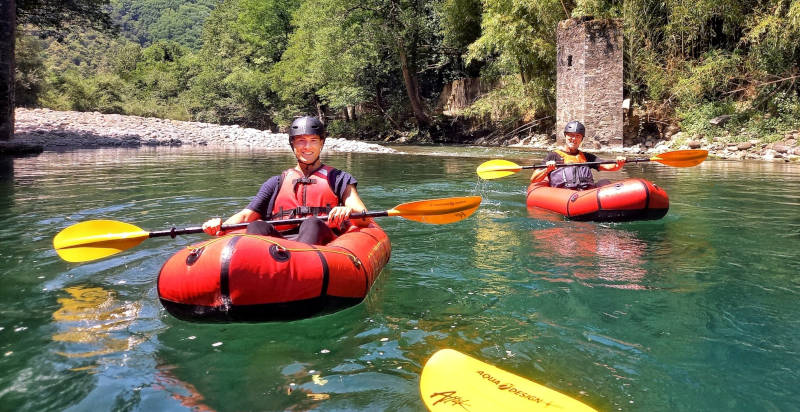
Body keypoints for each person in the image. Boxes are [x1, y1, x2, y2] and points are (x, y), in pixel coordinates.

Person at [202, 116, 370, 245]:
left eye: (313, 141)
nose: (307, 147)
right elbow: (246, 216)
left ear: (321, 144)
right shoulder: (276, 183)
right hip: (281, 244)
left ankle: (301, 267)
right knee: (256, 226)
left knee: (312, 223)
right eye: (301, 141)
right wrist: (220, 226)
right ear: (293, 145)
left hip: (323, 242)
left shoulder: (338, 178)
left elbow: (363, 216)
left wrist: (348, 211)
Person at [530, 120, 626, 189]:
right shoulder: (553, 156)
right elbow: (534, 179)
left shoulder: (586, 156)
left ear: (581, 139)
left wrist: (618, 163)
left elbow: (608, 166)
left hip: (585, 194)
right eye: (571, 135)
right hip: (564, 195)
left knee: (604, 182)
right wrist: (547, 169)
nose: (574, 139)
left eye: (577, 136)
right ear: (566, 136)